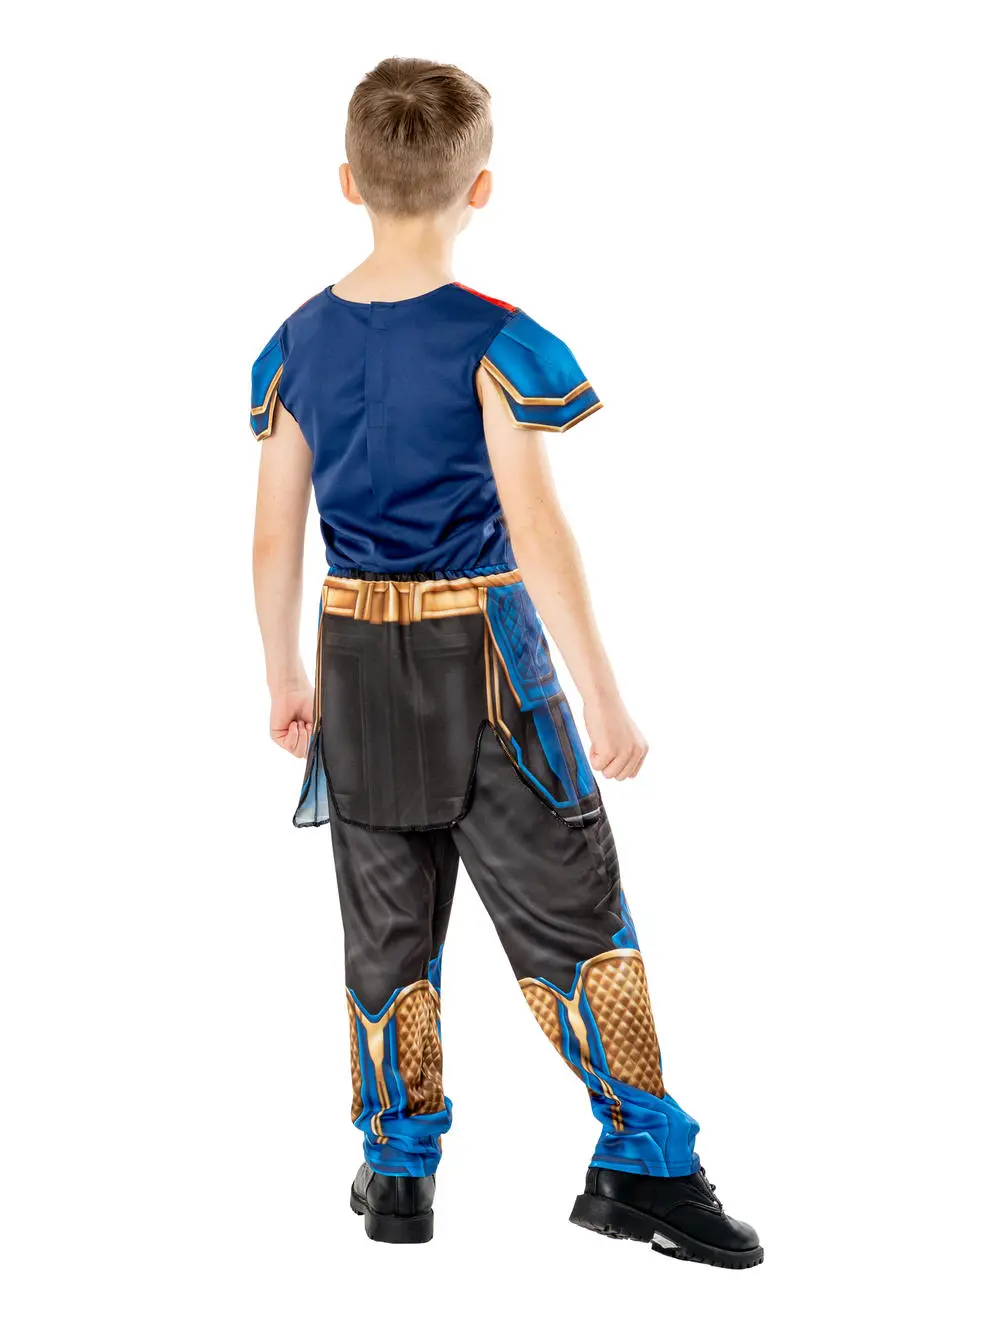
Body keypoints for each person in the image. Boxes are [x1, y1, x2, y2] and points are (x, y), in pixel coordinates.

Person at [250, 57, 762, 1268]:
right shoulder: (496, 341)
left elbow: (275, 533)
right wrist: (602, 695)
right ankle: (645, 1160)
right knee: (572, 907)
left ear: (346, 180)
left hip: (354, 660)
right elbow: (535, 527)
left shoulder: (294, 344)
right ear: (479, 188)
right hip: (485, 662)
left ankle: (398, 1167)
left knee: (386, 923)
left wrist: (285, 676)